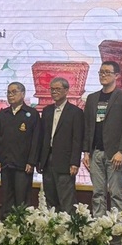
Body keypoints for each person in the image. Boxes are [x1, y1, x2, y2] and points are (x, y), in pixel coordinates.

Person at [83, 60, 122, 216]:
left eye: (107, 72)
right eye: (101, 72)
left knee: (115, 192)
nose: (103, 75)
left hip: (115, 154)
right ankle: (98, 224)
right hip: (95, 152)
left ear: (117, 75)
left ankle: (117, 225)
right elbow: (87, 126)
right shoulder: (92, 98)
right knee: (97, 192)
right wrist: (86, 152)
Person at [0, 82, 42, 216]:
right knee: (6, 198)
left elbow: (36, 140)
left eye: (14, 92)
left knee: (22, 199)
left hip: (23, 165)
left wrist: (31, 162)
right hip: (6, 163)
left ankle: (22, 225)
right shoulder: (3, 114)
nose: (10, 95)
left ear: (23, 94)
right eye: (8, 92)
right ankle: (6, 224)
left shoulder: (31, 114)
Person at [37, 77, 84, 213]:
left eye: (58, 89)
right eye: (52, 89)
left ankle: (68, 225)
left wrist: (74, 162)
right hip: (47, 160)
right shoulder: (47, 111)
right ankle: (52, 224)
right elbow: (42, 137)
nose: (54, 92)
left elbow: (77, 139)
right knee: (50, 198)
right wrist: (39, 160)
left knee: (66, 199)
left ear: (66, 90)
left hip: (65, 162)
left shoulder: (75, 112)